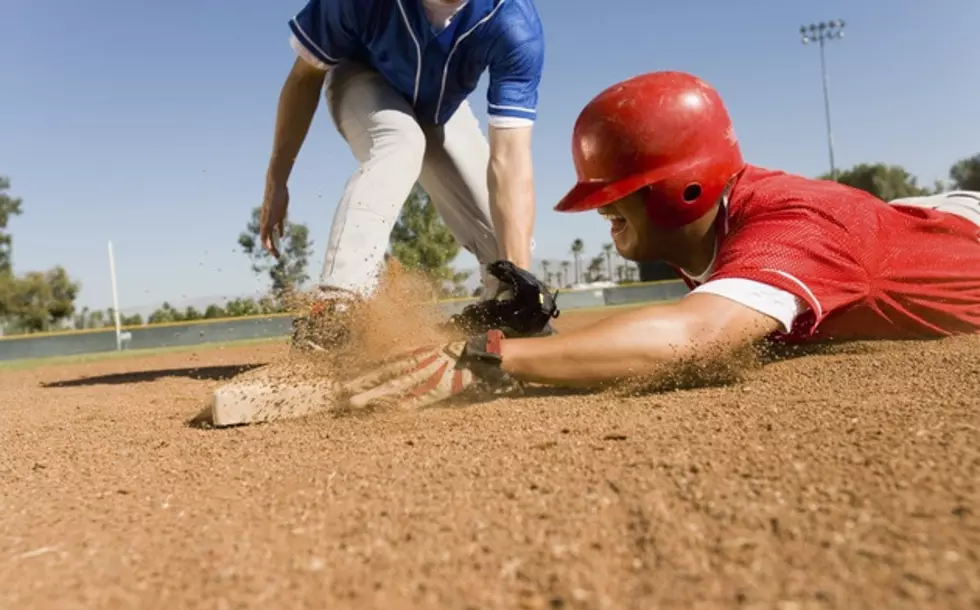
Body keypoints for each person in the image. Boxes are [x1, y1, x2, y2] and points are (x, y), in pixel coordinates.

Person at [337, 70, 980, 411]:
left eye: (616, 194)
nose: (600, 211)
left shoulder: (791, 228)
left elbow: (691, 336)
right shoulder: (717, 228)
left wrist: (480, 357)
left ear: (685, 189)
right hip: (906, 223)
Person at [260, 0, 558, 351]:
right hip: (361, 80)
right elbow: (304, 76)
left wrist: (519, 279)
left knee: (505, 248)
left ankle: (497, 318)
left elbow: (510, 158)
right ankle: (336, 309)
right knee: (401, 142)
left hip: (441, 107)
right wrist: (277, 181)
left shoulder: (513, 22)